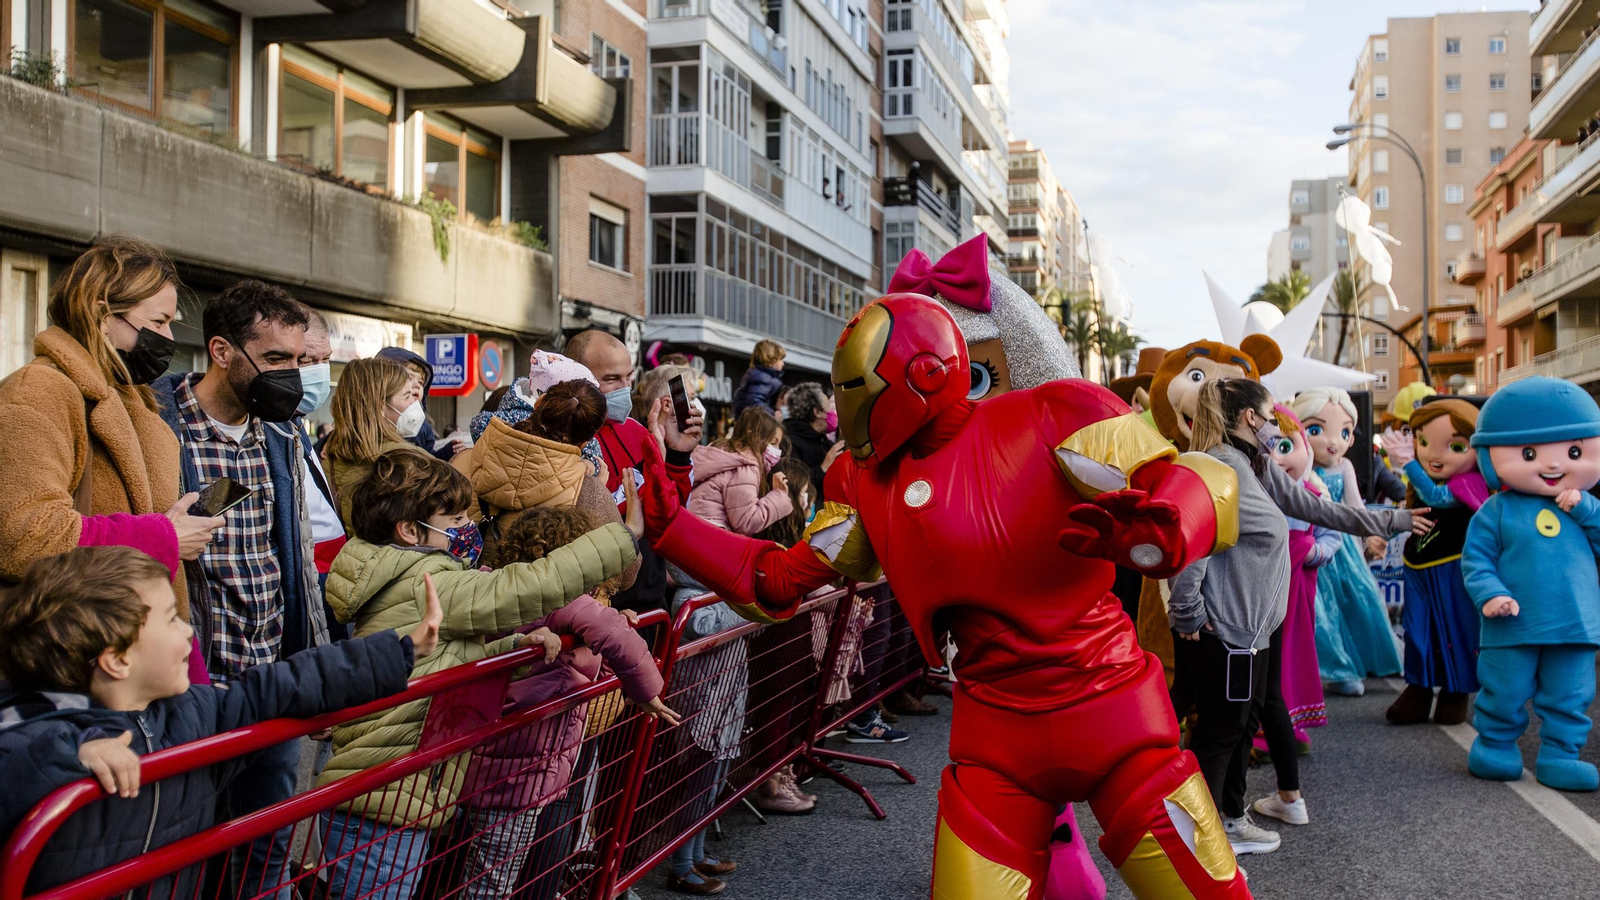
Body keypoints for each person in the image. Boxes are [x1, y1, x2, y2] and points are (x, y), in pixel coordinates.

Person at [638, 293, 1255, 898]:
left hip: (1113, 716)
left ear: (923, 374)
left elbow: (1202, 476)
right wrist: (673, 527)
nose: (849, 406)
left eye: (857, 388)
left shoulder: (1053, 414)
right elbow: (774, 582)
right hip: (996, 747)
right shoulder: (864, 483)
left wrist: (1171, 524)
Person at [0, 544, 436, 896]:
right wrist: (74, 755)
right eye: (172, 619)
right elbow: (15, 761)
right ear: (116, 659)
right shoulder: (34, 726)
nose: (189, 630)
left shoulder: (195, 711)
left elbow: (282, 683)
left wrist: (398, 653)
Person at [316, 449, 639, 900]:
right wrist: (619, 540)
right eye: (454, 519)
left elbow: (440, 655)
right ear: (410, 530)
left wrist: (511, 648)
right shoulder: (431, 582)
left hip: (388, 794)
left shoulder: (403, 575)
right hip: (384, 800)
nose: (467, 527)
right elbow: (523, 587)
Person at [149, 281, 324, 896]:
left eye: (300, 361)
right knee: (182, 860)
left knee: (262, 857)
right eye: (277, 359)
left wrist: (306, 665)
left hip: (269, 691)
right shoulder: (158, 428)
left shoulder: (282, 436)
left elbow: (294, 563)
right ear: (222, 351)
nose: (293, 376)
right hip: (188, 697)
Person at [0, 237, 222, 686]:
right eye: (157, 321)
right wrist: (165, 536)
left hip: (129, 662)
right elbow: (24, 537)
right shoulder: (38, 393)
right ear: (103, 317)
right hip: (74, 670)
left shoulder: (132, 401)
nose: (168, 338)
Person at [457, 506, 675, 900]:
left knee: (478, 868)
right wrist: (648, 692)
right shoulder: (565, 598)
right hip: (528, 770)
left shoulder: (495, 585)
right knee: (494, 880)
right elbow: (615, 638)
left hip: (486, 755)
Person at [1168, 378, 1292, 857]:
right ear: (1251, 418)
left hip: (1252, 632)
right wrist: (1189, 613)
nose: (1276, 423)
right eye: (1271, 414)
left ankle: (1230, 821)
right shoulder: (1221, 466)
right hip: (1231, 632)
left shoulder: (1247, 464)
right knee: (1220, 733)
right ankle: (1194, 839)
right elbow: (1193, 546)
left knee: (1240, 727)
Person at [1462, 377, 1600, 792]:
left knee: (1571, 697)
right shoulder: (1496, 510)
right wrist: (1491, 594)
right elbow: (1477, 560)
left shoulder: (1585, 507)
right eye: (1528, 453)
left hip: (1575, 625)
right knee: (1504, 690)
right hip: (1512, 626)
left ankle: (1561, 754)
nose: (1554, 464)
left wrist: (1588, 508)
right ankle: (1496, 745)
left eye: (1574, 452)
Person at [565, 330, 701, 618]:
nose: (625, 388)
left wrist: (677, 454)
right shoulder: (562, 440)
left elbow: (668, 513)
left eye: (629, 377)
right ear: (576, 377)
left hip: (650, 600)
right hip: (596, 608)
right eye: (612, 379)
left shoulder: (637, 431)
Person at [1289, 388, 1402, 697]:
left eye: (1344, 432)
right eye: (1316, 430)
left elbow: (1355, 505)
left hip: (1344, 546)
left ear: (1352, 438)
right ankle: (1336, 669)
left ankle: (1367, 659)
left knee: (1359, 597)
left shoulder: (1346, 467)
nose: (1333, 441)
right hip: (1311, 543)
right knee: (1319, 608)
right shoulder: (1300, 467)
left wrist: (1371, 533)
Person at [1388, 399, 1488, 726]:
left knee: (1456, 629)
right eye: (1424, 442)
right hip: (1418, 564)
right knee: (1417, 630)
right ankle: (1419, 688)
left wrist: (1408, 464)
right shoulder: (1425, 482)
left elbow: (1437, 498)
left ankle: (1454, 692)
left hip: (1454, 565)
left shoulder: (1470, 483)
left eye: (1455, 446)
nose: (1434, 454)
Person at [323, 356, 429, 528]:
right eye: (407, 396)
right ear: (380, 407)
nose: (414, 402)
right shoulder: (414, 461)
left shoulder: (327, 462)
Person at [290, 308, 346, 609]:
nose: (319, 371)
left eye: (325, 359)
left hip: (328, 576)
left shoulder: (296, 424)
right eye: (307, 360)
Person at [375, 346, 464, 461]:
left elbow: (428, 458)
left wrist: (445, 453)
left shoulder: (423, 427)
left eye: (421, 382)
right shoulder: (369, 425)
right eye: (409, 378)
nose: (417, 385)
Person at [781, 382, 843, 508]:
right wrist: (823, 467)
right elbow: (793, 484)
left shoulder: (823, 441)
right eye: (829, 409)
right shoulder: (789, 442)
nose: (833, 414)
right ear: (817, 412)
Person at [732, 339, 785, 416]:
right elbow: (755, 402)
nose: (783, 363)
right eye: (780, 359)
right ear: (770, 361)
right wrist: (773, 414)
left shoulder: (759, 376)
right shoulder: (762, 378)